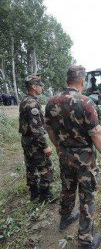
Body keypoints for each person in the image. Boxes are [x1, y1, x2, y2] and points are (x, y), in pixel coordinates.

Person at [45, 65, 101, 249]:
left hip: (64, 156)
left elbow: (49, 128)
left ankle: (65, 218)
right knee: (87, 198)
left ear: (67, 80)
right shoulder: (86, 102)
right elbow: (96, 133)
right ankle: (85, 244)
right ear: (82, 82)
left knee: (67, 188)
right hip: (84, 160)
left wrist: (58, 146)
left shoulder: (51, 102)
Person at [19, 75, 55, 203]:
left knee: (31, 167)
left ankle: (34, 194)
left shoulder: (25, 100)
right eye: (40, 85)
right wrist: (45, 146)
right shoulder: (32, 103)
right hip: (35, 142)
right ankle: (46, 196)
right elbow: (37, 129)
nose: (42, 87)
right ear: (33, 87)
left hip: (26, 140)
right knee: (46, 167)